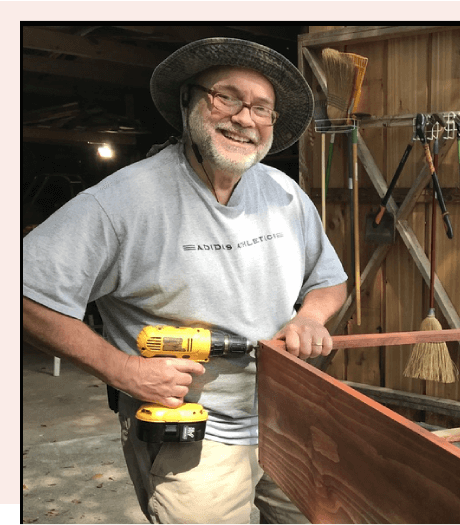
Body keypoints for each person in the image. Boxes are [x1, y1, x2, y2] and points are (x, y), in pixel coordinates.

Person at [22, 37, 348, 525]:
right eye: (226, 97)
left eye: (262, 108)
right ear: (188, 102)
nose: (244, 118)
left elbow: (329, 280)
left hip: (289, 419)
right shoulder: (122, 201)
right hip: (191, 430)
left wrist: (312, 316)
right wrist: (121, 370)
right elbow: (25, 294)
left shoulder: (285, 194)